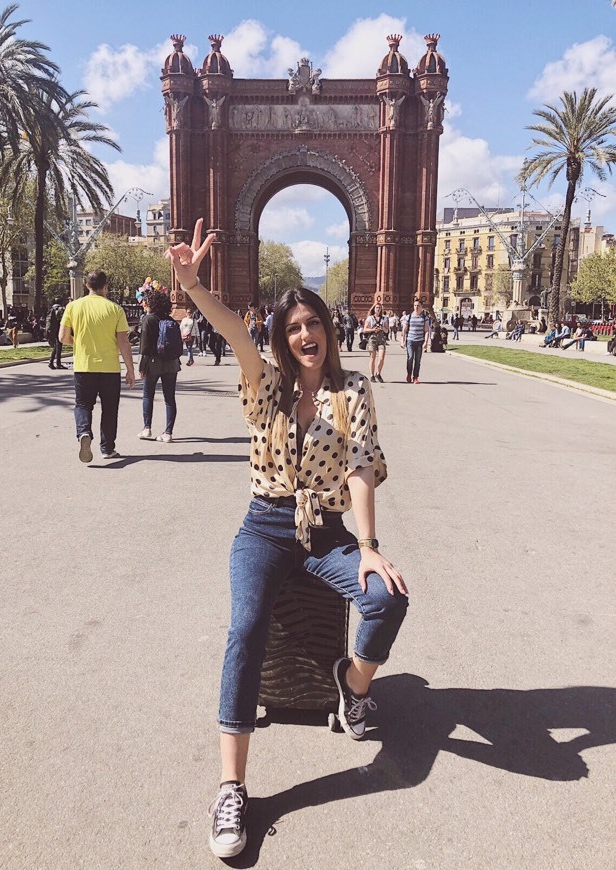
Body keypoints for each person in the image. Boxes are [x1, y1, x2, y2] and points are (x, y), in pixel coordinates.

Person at [167, 219, 409, 860]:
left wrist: (370, 546)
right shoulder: (266, 385)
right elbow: (234, 333)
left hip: (326, 532)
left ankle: (351, 689)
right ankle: (232, 786)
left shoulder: (352, 390)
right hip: (266, 526)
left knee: (387, 598)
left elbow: (360, 466)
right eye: (293, 328)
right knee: (245, 628)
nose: (305, 336)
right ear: (282, 336)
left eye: (314, 325)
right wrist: (192, 286)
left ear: (329, 330)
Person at [59, 269, 135, 463]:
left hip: (84, 366)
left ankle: (84, 432)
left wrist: (78, 343)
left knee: (83, 404)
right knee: (110, 409)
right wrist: (130, 369)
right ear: (106, 287)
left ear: (86, 286)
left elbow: (62, 337)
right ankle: (107, 448)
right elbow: (123, 342)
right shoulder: (115, 309)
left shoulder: (73, 307)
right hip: (110, 369)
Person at [137, 287, 181, 443]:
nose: (144, 303)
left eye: (146, 301)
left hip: (153, 363)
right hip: (171, 363)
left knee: (148, 395)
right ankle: (168, 433)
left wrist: (142, 367)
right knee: (170, 398)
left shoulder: (148, 319)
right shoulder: (170, 320)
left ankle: (147, 428)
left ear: (151, 303)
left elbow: (145, 347)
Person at [401, 295, 431, 383]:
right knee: (410, 358)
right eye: (415, 305)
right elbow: (404, 329)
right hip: (410, 340)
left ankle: (415, 377)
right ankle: (409, 374)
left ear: (421, 307)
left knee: (417, 360)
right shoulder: (408, 317)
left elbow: (426, 330)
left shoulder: (425, 318)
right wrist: (402, 341)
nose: (416, 307)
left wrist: (426, 342)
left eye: (418, 306)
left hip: (419, 341)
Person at [363, 302, 389, 382]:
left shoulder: (384, 318)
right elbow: (365, 330)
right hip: (372, 338)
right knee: (372, 357)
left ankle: (378, 373)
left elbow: (387, 330)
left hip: (381, 339)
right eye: (376, 307)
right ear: (374, 309)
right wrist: (373, 329)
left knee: (381, 358)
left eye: (379, 308)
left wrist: (383, 328)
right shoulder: (370, 318)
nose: (378, 309)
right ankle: (372, 375)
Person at [46, 301, 66, 369]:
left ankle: (51, 362)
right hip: (57, 330)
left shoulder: (51, 311)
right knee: (58, 347)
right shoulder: (59, 309)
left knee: (56, 347)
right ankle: (57, 363)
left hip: (51, 331)